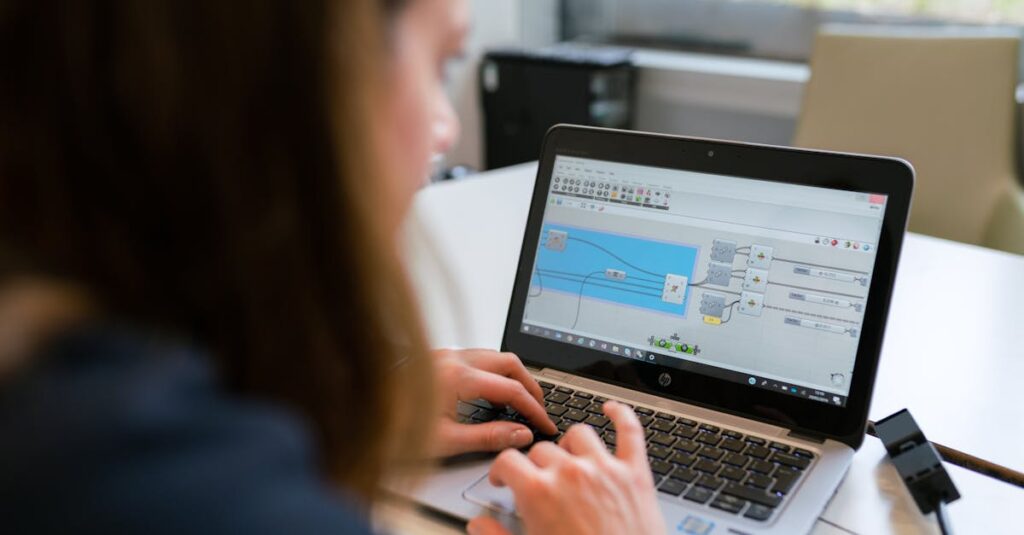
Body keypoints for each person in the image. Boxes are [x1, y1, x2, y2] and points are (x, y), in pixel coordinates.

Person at [0, 0, 665, 534]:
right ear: (305, 93)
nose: (447, 132)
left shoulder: (62, 382)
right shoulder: (212, 501)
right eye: (441, 62)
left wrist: (356, 398)